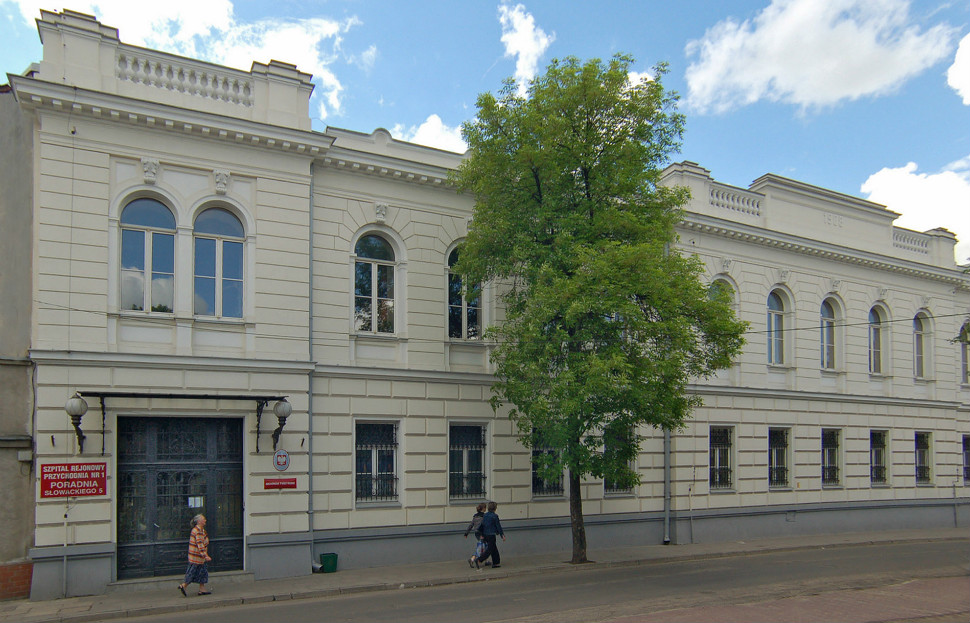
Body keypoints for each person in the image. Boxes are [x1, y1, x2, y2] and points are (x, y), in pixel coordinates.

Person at [178, 514, 212, 596]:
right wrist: (205, 555)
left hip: (197, 557)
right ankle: (184, 585)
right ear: (199, 521)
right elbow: (200, 544)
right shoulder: (198, 531)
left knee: (202, 572)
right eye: (204, 519)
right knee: (193, 572)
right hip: (197, 557)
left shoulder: (199, 530)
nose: (205, 520)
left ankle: (202, 589)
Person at [477, 501, 506, 569]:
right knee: (490, 549)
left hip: (485, 534)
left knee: (494, 549)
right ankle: (479, 560)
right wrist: (502, 535)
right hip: (491, 534)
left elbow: (482, 525)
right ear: (495, 508)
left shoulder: (485, 515)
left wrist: (481, 534)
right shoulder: (495, 516)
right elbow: (498, 526)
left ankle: (496, 563)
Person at [465, 502, 486, 569]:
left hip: (476, 533)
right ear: (484, 508)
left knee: (482, 546)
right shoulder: (484, 516)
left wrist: (466, 533)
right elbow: (484, 525)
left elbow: (471, 525)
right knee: (482, 547)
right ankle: (472, 559)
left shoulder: (475, 516)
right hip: (482, 533)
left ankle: (485, 560)